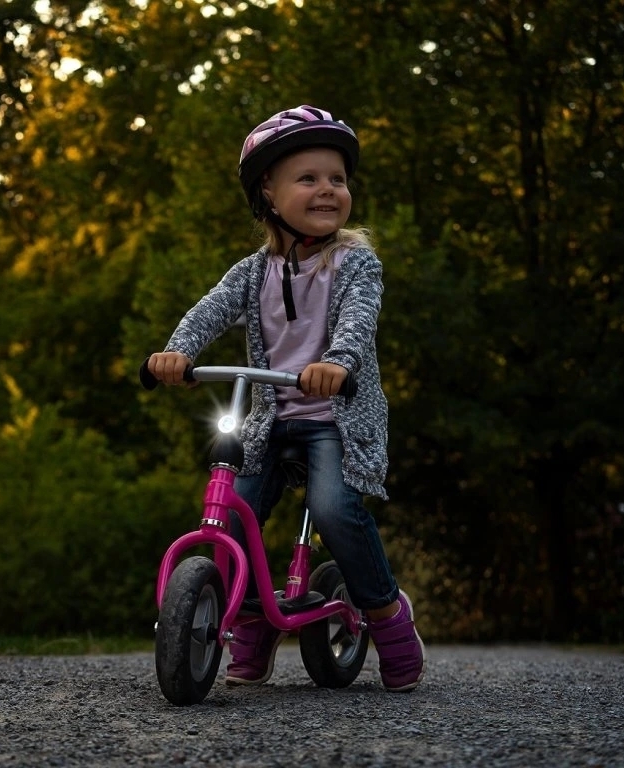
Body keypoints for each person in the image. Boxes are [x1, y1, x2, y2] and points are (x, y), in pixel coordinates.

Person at [147, 105, 425, 692]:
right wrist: (177, 352)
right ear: (268, 194)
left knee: (333, 509)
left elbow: (358, 321)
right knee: (233, 509)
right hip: (269, 418)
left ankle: (385, 613)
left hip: (336, 418)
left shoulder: (355, 263)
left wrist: (337, 364)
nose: (328, 189)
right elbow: (210, 309)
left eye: (337, 179)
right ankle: (251, 620)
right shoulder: (254, 272)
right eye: (309, 178)